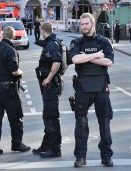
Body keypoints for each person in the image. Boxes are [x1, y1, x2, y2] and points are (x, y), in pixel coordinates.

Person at [69, 13, 114, 167]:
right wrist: (96, 56)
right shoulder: (76, 42)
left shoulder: (103, 41)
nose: (83, 27)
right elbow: (75, 59)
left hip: (101, 87)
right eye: (82, 24)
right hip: (83, 87)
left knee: (105, 123)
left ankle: (106, 156)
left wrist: (87, 57)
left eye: (86, 24)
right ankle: (80, 157)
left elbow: (109, 61)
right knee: (81, 125)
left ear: (93, 24)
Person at [0, 26, 31, 156]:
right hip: (8, 89)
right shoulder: (10, 50)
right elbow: (14, 71)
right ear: (13, 36)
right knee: (16, 117)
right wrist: (21, 72)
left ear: (3, 35)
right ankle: (16, 144)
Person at [32, 22, 63, 158]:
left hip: (51, 86)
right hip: (49, 86)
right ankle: (46, 144)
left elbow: (57, 61)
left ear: (42, 30)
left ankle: (55, 149)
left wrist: (49, 78)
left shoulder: (52, 44)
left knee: (51, 116)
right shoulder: (50, 42)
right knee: (47, 115)